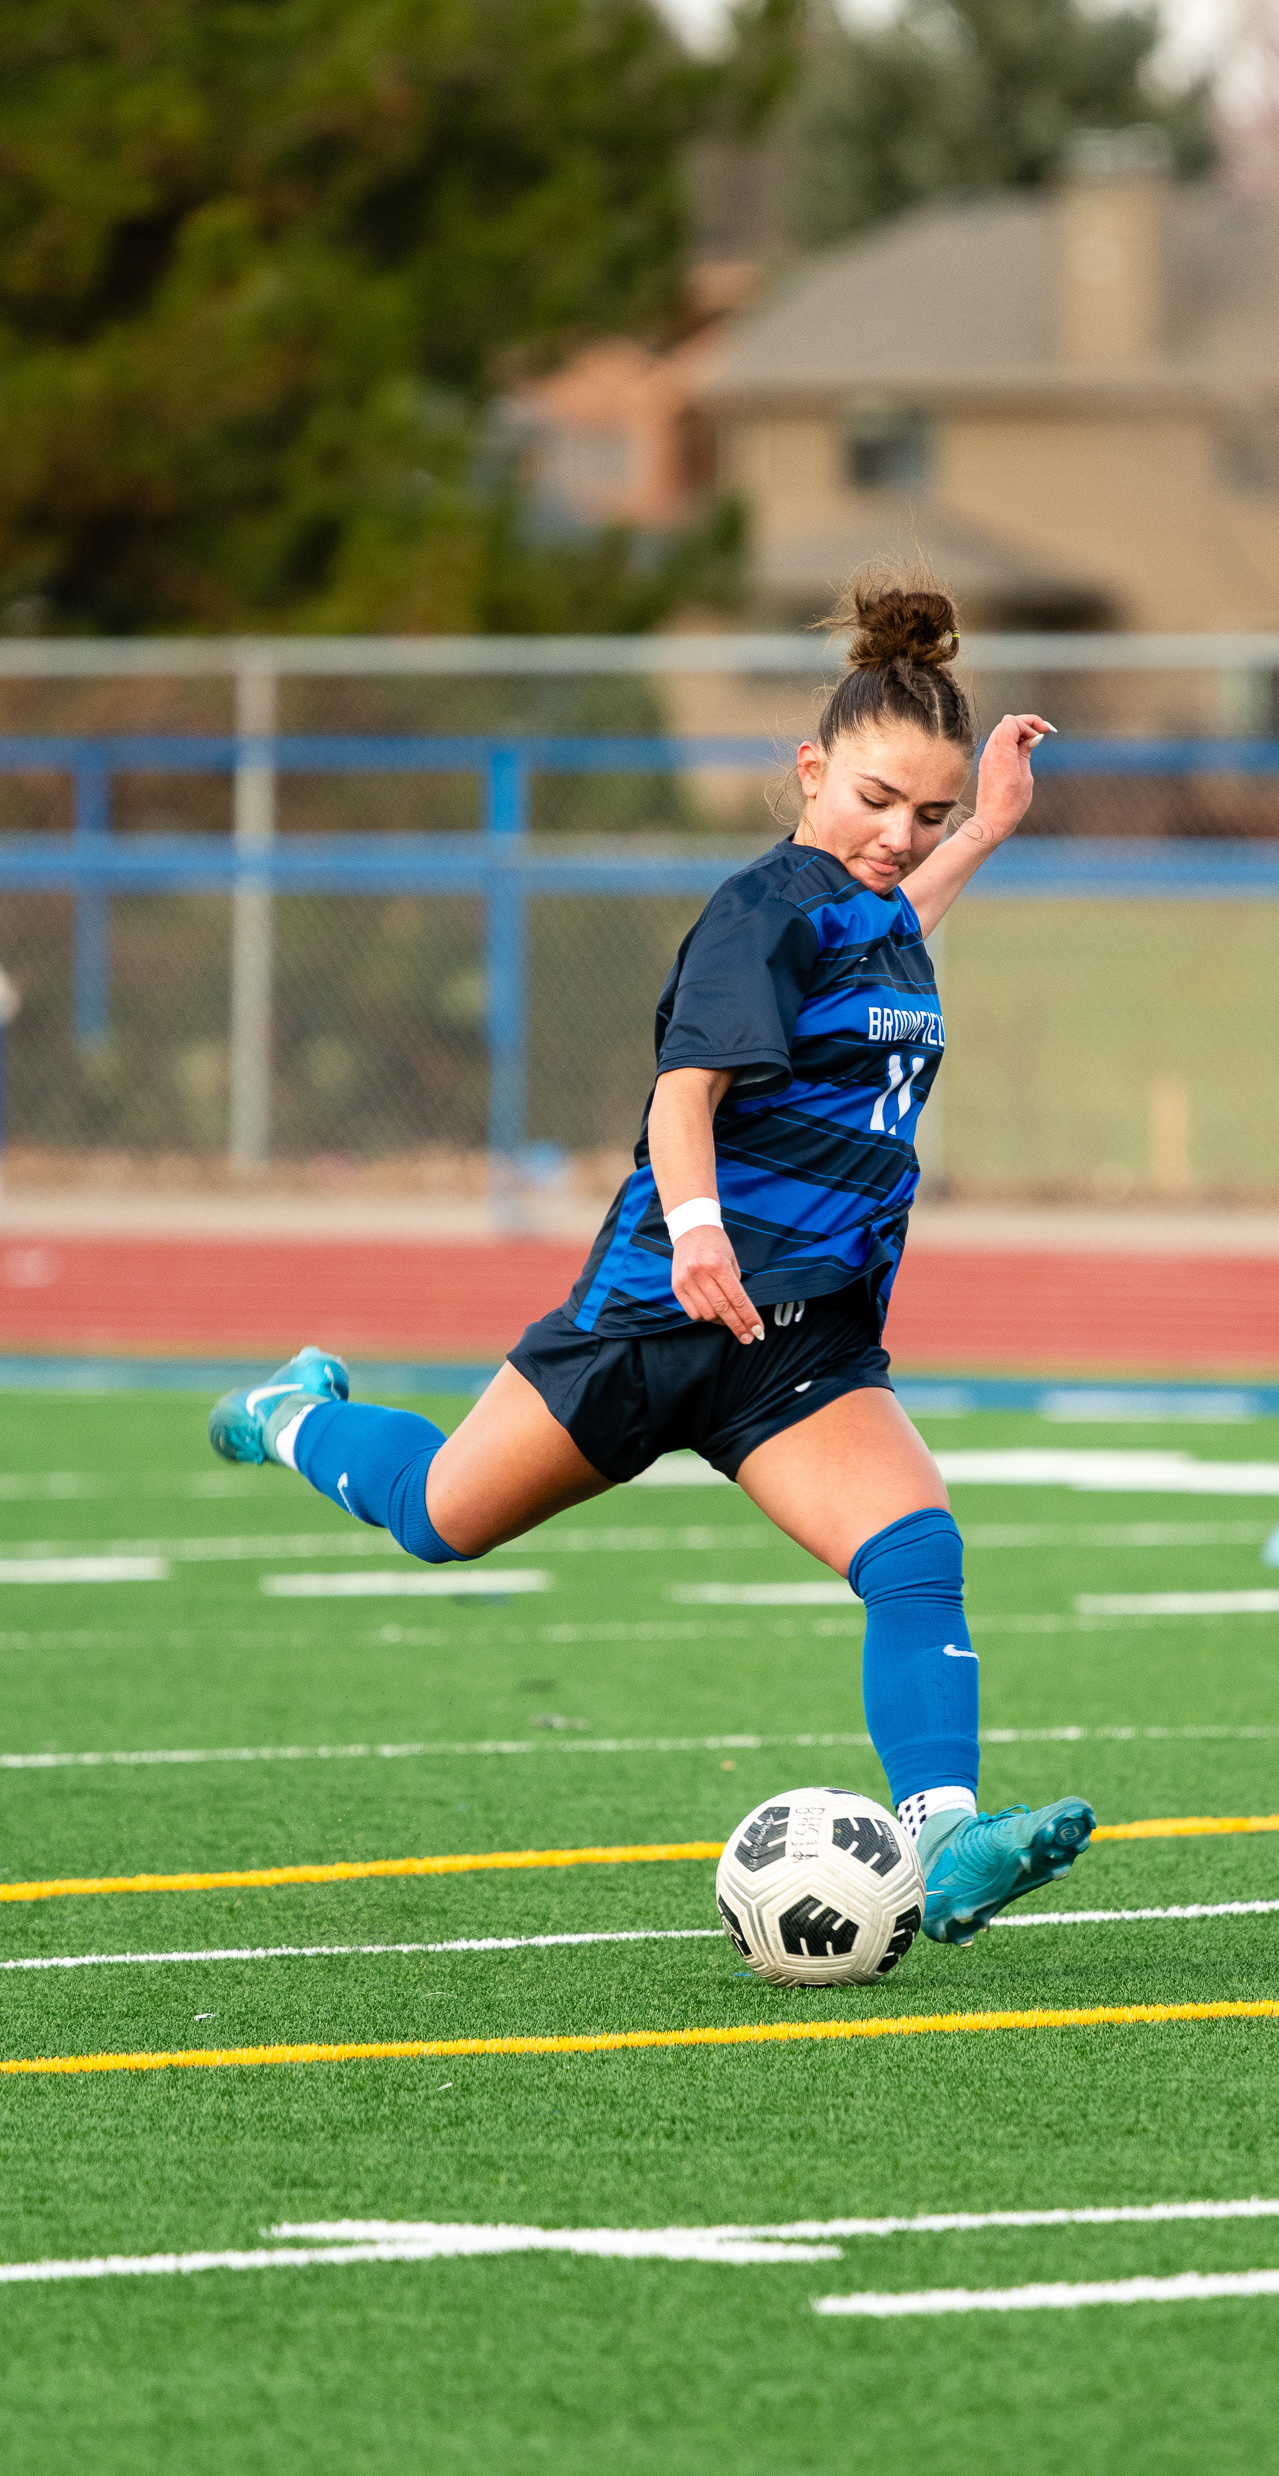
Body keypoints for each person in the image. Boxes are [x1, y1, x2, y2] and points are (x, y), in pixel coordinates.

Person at [208, 581, 1095, 1946]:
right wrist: (697, 1235)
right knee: (440, 1517)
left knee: (915, 1550)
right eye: (877, 801)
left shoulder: (871, 909)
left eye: (926, 813)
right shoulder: (760, 910)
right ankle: (290, 1414)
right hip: (656, 1319)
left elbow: (893, 925)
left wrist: (984, 828)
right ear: (810, 771)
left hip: (798, 1344)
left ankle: (945, 1838)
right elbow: (685, 1096)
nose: (898, 836)